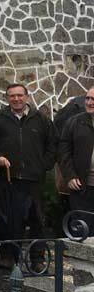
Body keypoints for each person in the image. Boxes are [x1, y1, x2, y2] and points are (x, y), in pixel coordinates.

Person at [0, 83, 55, 270]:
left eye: (19, 95)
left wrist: (43, 166)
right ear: (6, 98)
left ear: (27, 97)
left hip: (34, 180)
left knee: (37, 220)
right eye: (11, 96)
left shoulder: (41, 119)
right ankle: (8, 255)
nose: (16, 99)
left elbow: (52, 146)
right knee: (7, 220)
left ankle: (37, 258)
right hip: (8, 179)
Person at [58, 86, 94, 233]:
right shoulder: (74, 122)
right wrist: (70, 176)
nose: (89, 102)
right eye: (88, 98)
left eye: (93, 99)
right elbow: (63, 151)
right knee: (82, 230)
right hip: (82, 186)